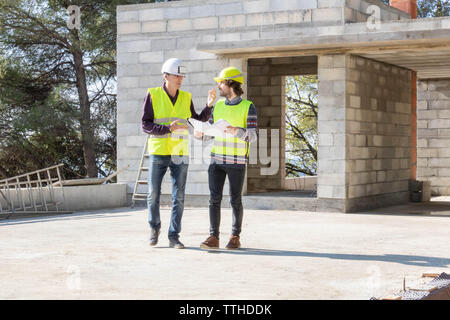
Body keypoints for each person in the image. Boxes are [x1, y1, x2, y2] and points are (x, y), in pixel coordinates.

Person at [142, 58, 216, 249]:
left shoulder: (186, 97)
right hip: (159, 151)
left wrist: (208, 107)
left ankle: (174, 236)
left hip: (180, 152)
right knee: (153, 194)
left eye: (182, 76)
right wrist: (167, 128)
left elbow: (196, 121)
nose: (180, 79)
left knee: (179, 196)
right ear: (166, 76)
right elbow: (145, 124)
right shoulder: (153, 94)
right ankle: (154, 228)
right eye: (177, 75)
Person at [195, 67, 258, 250]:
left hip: (237, 161)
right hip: (216, 160)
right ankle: (213, 236)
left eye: (220, 82)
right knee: (214, 199)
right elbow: (212, 132)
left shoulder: (248, 106)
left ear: (230, 83)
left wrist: (237, 131)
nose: (218, 85)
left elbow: (253, 136)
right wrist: (202, 134)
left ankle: (235, 236)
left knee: (235, 200)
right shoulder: (219, 106)